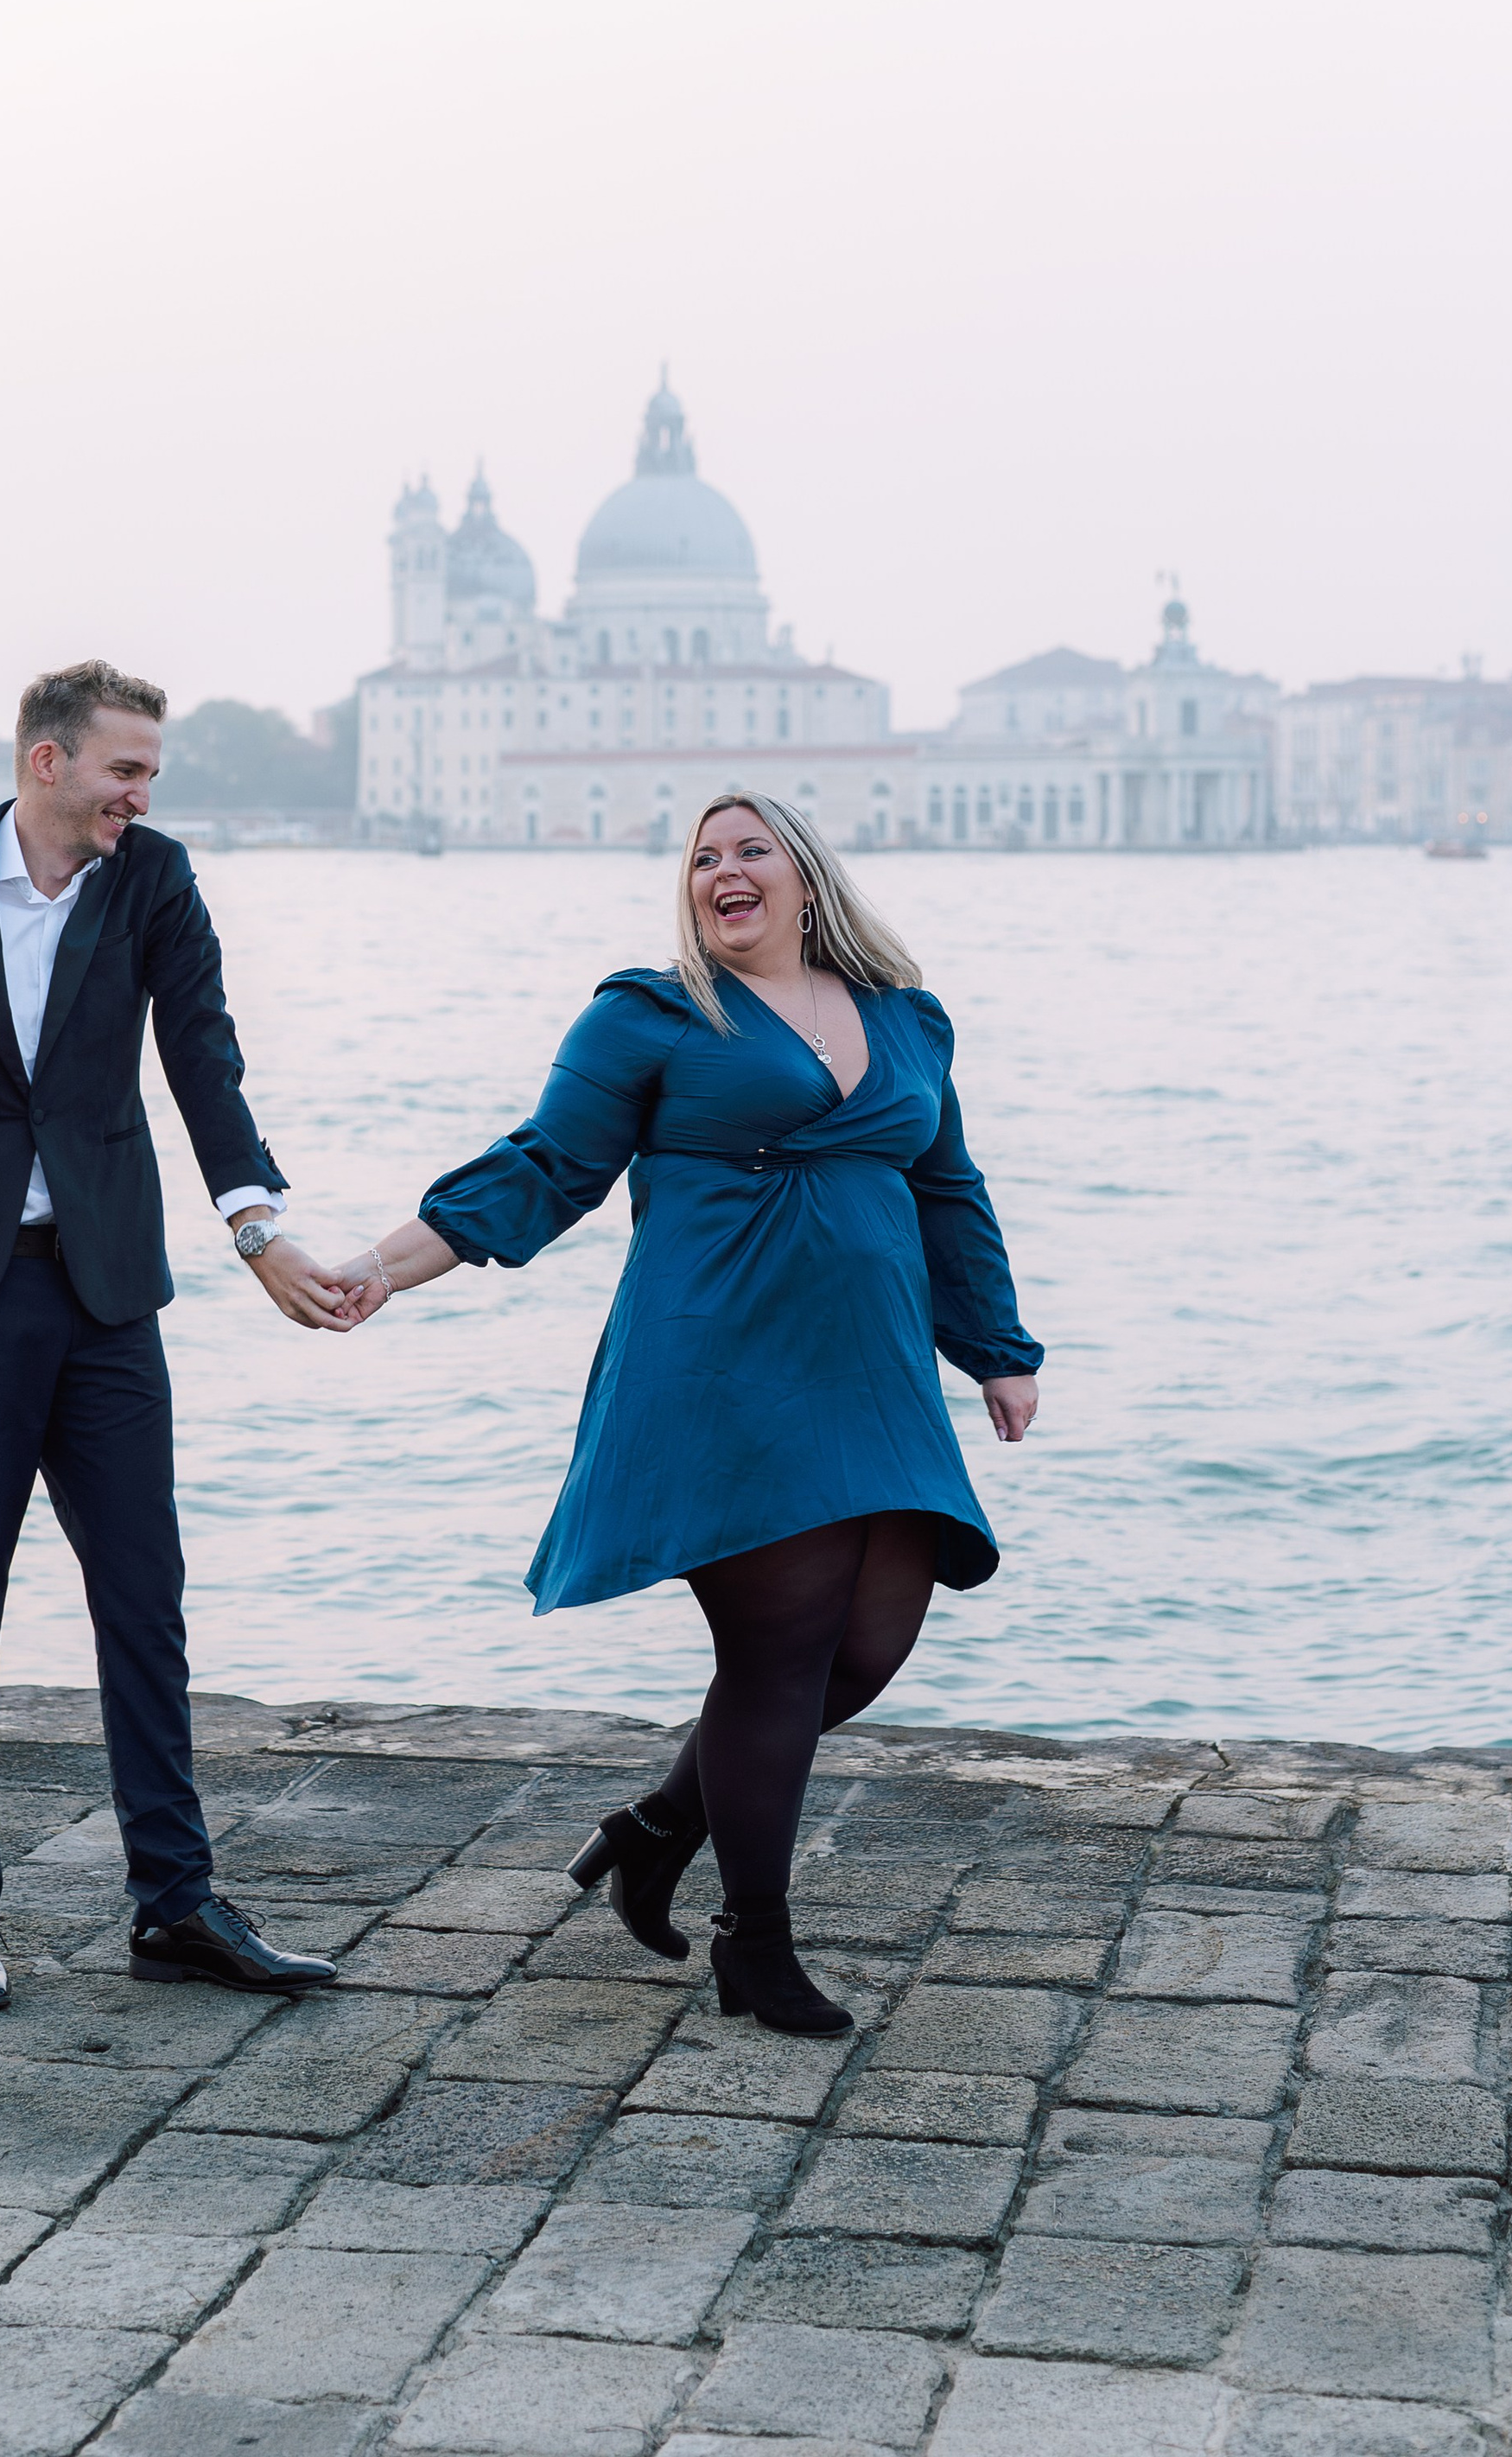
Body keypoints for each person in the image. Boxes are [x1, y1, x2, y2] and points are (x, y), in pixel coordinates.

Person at [328, 791, 1042, 2034]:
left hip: (870, 1370)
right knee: (776, 1655)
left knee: (867, 1649)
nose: (724, 871)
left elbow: (948, 1189)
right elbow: (547, 1164)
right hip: (720, 1365)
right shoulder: (651, 1014)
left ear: (805, 877)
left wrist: (995, 1348)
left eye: (749, 849)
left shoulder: (907, 1019)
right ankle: (753, 1948)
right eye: (704, 857)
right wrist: (385, 1266)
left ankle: (656, 1830)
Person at [0, 659, 355, 2014]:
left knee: (144, 1600)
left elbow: (204, 1060)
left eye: (150, 772)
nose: (142, 795)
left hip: (107, 1291)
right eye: (125, 770)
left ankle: (175, 1904)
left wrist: (256, 1228)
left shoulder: (154, 881)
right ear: (47, 763)